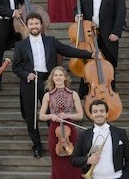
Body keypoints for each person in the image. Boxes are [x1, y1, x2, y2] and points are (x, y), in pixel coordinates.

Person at [13, 13, 93, 158]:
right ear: (27, 26)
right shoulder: (20, 45)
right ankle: (36, 146)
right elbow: (16, 67)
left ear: (41, 25)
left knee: (53, 114)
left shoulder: (51, 41)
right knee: (32, 116)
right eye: (31, 24)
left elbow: (68, 50)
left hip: (48, 81)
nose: (34, 26)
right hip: (30, 82)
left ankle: (56, 142)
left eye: (36, 23)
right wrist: (26, 74)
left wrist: (91, 54)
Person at [38, 66, 85, 179]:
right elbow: (41, 116)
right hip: (55, 131)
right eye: (55, 75)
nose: (58, 77)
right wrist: (51, 116)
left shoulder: (73, 94)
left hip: (70, 130)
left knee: (73, 165)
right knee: (59, 167)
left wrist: (67, 116)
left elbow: (80, 115)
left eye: (60, 75)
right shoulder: (48, 95)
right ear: (52, 78)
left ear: (65, 77)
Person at [77, 0, 127, 70]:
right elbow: (76, 8)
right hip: (89, 34)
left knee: (109, 65)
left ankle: (110, 87)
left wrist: (116, 32)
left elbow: (121, 12)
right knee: (88, 65)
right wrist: (76, 15)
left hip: (109, 33)